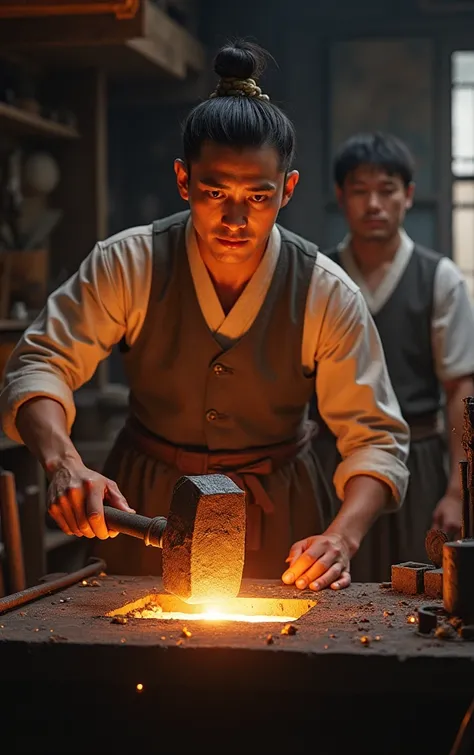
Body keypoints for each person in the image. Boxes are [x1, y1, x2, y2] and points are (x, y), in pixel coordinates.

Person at [0, 42, 409, 592]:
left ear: (286, 189)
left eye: (258, 197)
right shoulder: (130, 262)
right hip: (149, 509)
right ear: (183, 181)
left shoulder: (324, 291)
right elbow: (40, 364)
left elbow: (375, 438)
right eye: (215, 192)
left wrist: (342, 536)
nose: (235, 218)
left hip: (282, 511)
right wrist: (64, 462)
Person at [314, 131, 474, 582]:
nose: (373, 205)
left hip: (418, 461)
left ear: (408, 196)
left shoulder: (437, 278)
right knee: (325, 584)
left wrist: (458, 494)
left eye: (386, 191)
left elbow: (460, 388)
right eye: (359, 191)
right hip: (330, 458)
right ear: (340, 196)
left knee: (412, 586)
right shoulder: (318, 274)